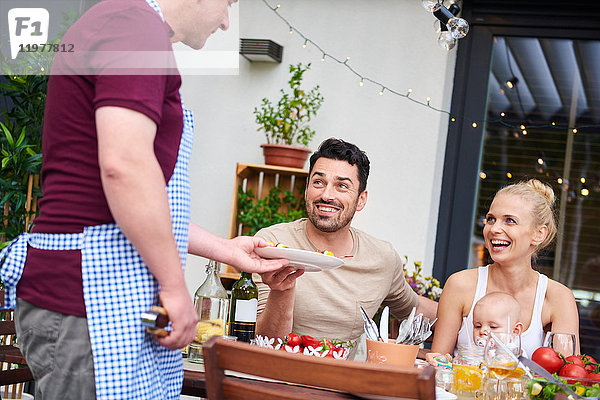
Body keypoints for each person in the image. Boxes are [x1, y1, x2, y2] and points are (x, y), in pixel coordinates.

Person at [0, 0, 287, 399]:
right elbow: (126, 168)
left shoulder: (131, 27)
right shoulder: (133, 25)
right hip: (89, 297)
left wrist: (227, 251)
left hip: (104, 295)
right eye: (228, 4)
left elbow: (141, 200)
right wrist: (174, 287)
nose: (226, 22)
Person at [254, 138, 438, 357]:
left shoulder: (382, 258)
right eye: (318, 182)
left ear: (361, 200)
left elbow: (413, 308)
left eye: (342, 186)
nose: (327, 195)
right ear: (306, 189)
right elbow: (266, 342)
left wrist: (475, 316)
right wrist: (282, 289)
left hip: (339, 384)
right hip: (275, 378)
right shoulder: (273, 242)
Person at [429, 179, 579, 362]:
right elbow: (438, 362)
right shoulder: (460, 285)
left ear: (539, 234)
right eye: (491, 219)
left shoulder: (558, 297)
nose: (494, 229)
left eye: (510, 221)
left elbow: (567, 376)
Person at [427, 291, 524, 365]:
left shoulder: (516, 354)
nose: (482, 331)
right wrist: (446, 360)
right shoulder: (471, 351)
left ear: (515, 331)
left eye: (493, 327)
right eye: (477, 326)